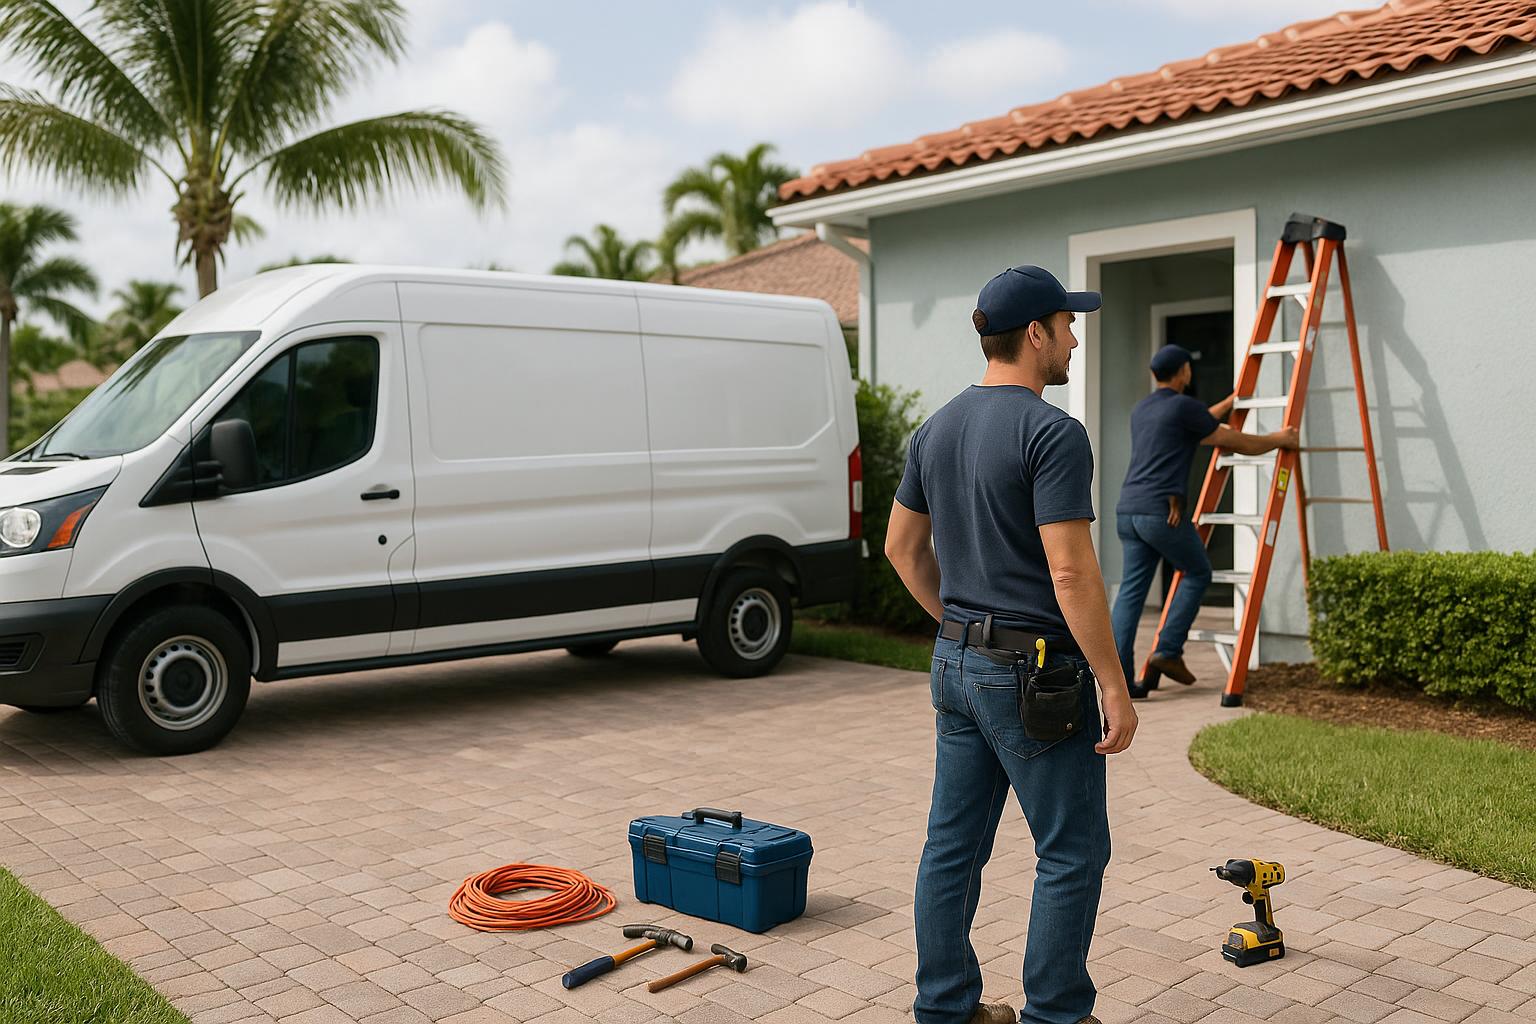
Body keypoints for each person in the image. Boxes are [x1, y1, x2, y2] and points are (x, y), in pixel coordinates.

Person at [885, 264, 1137, 1024]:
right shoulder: (1052, 433)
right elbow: (1070, 568)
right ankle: (1056, 1014)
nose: (1075, 337)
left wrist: (958, 629)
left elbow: (902, 549)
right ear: (1035, 334)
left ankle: (945, 1009)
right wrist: (1113, 683)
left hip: (956, 666)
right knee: (1071, 851)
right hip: (1034, 678)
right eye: (1067, 324)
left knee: (952, 849)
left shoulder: (935, 429)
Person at [1109, 344, 1298, 696]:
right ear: (1184, 371)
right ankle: (1167, 649)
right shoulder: (1183, 408)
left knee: (1130, 595)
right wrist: (1279, 439)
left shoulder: (1144, 410)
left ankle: (1121, 683)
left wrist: (1226, 404)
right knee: (1197, 572)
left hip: (1128, 510)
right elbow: (1232, 439)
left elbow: (1193, 423)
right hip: (1161, 511)